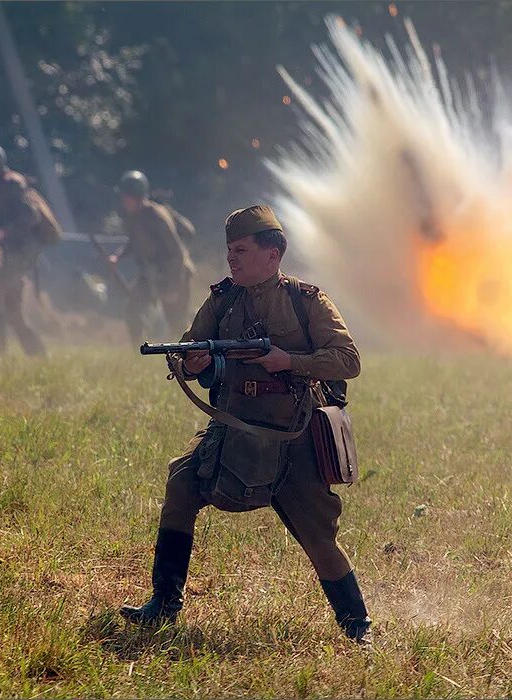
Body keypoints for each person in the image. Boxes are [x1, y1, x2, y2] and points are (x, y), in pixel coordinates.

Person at [119, 204, 371, 643]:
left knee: (318, 537)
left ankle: (357, 626)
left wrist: (288, 361)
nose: (232, 259)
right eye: (229, 251)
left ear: (272, 256)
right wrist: (191, 360)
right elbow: (187, 347)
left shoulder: (306, 301)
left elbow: (347, 360)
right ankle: (164, 604)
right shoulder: (222, 298)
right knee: (181, 484)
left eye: (241, 250)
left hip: (293, 436)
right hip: (233, 427)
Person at [0, 143, 58, 357]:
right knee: (13, 311)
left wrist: (4, 233)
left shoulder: (12, 185)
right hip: (13, 254)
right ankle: (38, 354)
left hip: (24, 253)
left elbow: (31, 216)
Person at [109, 170, 195, 342]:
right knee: (133, 309)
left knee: (177, 323)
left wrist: (173, 286)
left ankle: (191, 361)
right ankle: (138, 352)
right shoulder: (133, 217)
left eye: (127, 196)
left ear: (137, 196)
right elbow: (134, 242)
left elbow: (177, 253)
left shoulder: (157, 216)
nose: (124, 200)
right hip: (151, 274)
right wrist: (117, 256)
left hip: (174, 273)